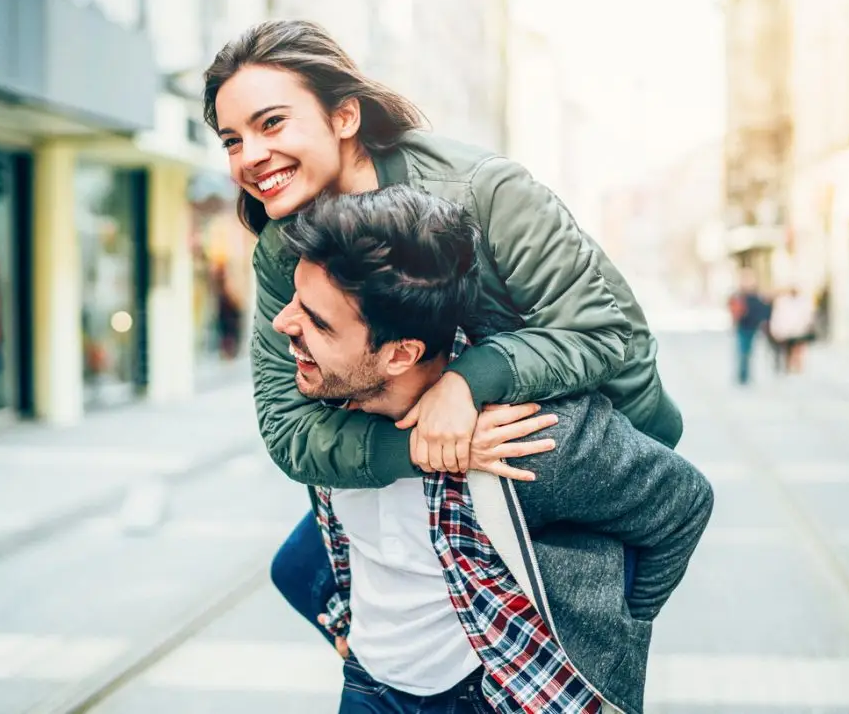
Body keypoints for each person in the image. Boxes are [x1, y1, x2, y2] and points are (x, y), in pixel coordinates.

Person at [203, 20, 683, 645]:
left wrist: (466, 384)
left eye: (272, 123)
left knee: (560, 652)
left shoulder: (485, 191)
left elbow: (600, 332)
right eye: (232, 140)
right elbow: (289, 427)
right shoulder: (281, 248)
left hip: (576, 451)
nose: (251, 157)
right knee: (304, 573)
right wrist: (430, 449)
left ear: (344, 116)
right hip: (443, 457)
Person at [274, 187, 712, 714]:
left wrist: (614, 633)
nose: (283, 325)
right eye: (296, 301)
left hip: (493, 694)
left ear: (400, 355)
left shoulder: (528, 433)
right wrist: (348, 625)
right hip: (368, 687)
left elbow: (684, 505)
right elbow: (340, 540)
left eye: (317, 322)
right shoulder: (327, 406)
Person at [728, 269, 770, 384]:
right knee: (743, 351)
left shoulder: (756, 296)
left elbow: (763, 311)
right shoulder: (739, 296)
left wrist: (763, 323)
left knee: (748, 351)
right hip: (743, 327)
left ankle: (745, 374)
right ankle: (742, 375)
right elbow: (733, 309)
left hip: (752, 327)